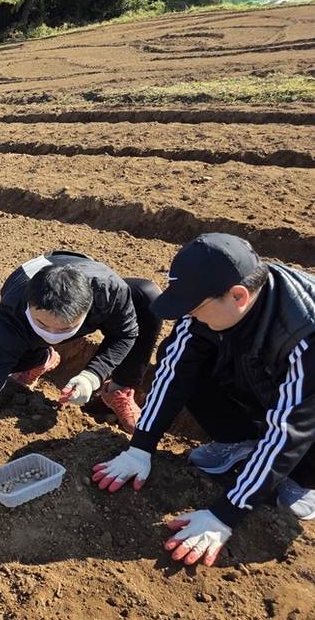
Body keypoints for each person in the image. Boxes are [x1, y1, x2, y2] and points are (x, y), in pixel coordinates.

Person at [91, 233, 315, 567]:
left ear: (238, 296)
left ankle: (306, 477)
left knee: (297, 460)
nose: (189, 315)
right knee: (182, 358)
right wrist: (140, 447)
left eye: (194, 308)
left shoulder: (305, 330)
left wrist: (224, 515)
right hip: (264, 375)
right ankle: (239, 439)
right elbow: (173, 371)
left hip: (306, 405)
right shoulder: (209, 297)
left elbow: (293, 426)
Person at [0, 251, 162, 473]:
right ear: (29, 308)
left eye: (65, 329)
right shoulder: (11, 316)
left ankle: (119, 388)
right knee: (9, 360)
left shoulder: (109, 294)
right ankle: (42, 358)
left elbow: (124, 333)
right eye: (43, 325)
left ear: (87, 312)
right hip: (28, 281)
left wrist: (92, 376)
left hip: (79, 271)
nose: (52, 334)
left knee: (149, 296)